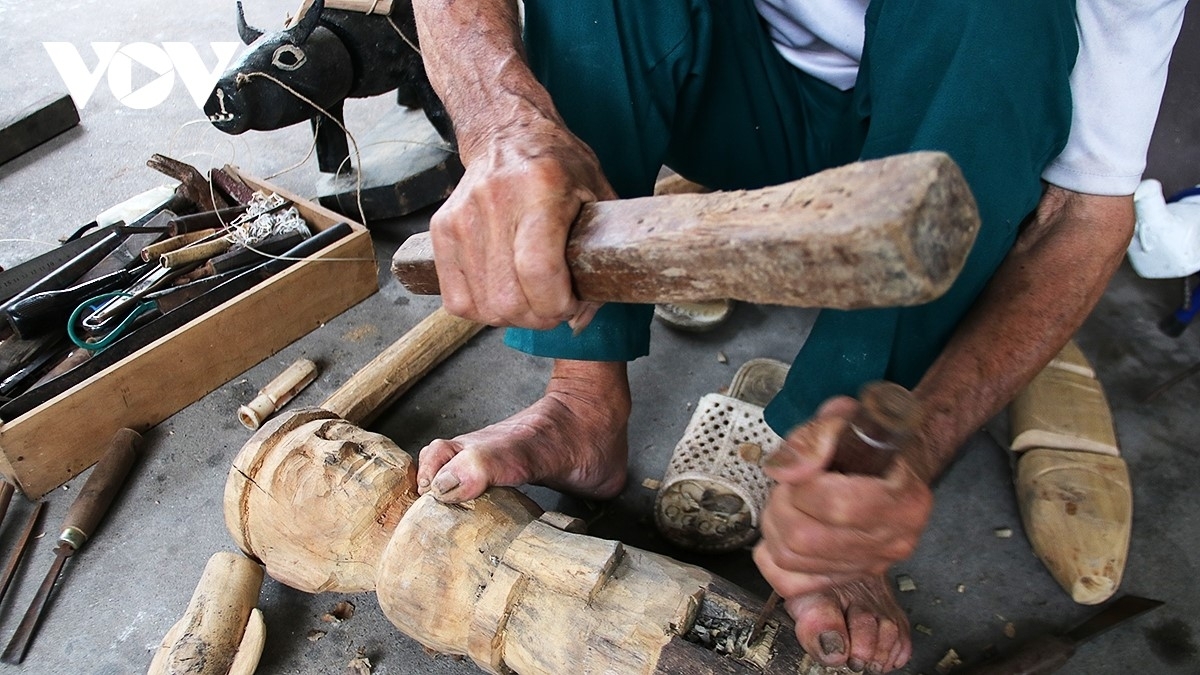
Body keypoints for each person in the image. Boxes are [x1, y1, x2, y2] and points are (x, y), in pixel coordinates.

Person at [406, 0, 1188, 671]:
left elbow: (1085, 214)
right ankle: (581, 400)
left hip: (946, 125)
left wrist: (914, 446)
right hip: (735, 95)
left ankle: (831, 484)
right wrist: (500, 123)